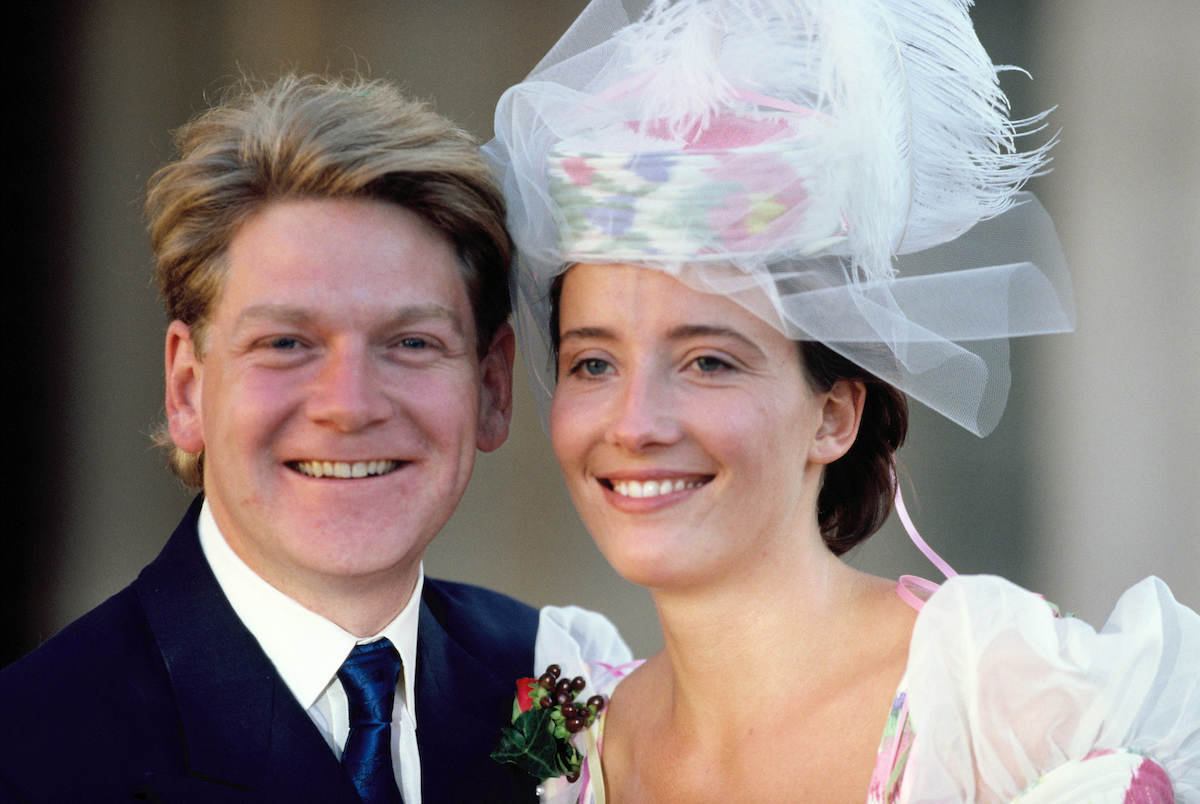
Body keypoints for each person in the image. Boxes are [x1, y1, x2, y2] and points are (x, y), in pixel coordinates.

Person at [484, 0, 1200, 800]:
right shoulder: (567, 743)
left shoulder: (1000, 697)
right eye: (592, 363)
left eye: (710, 361)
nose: (635, 423)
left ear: (833, 416)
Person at [0, 74, 629, 803]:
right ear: (187, 389)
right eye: (287, 343)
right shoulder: (29, 752)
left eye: (412, 343)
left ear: (492, 388)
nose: (350, 407)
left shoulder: (563, 688)